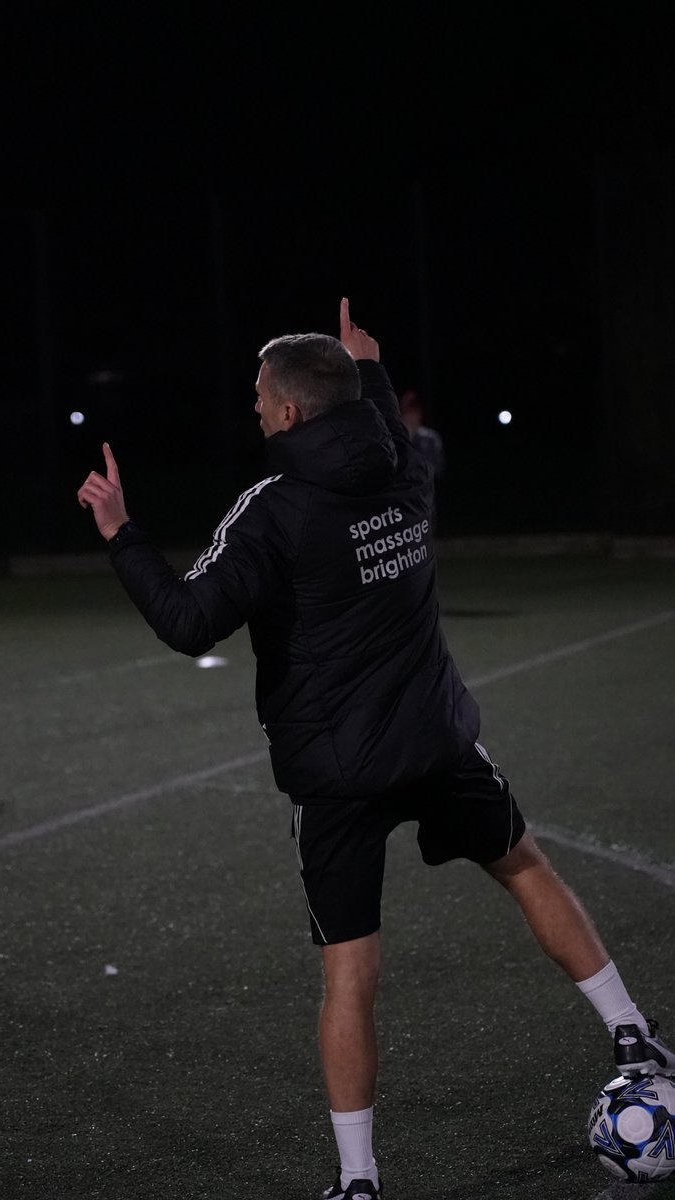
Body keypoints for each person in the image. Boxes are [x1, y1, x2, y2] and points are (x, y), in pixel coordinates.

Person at [77, 299, 673, 1200]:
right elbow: (381, 426)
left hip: (338, 771)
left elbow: (189, 618)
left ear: (287, 413)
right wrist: (371, 369)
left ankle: (358, 1182)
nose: (254, 408)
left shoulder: (273, 509)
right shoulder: (405, 466)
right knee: (524, 865)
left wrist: (121, 533)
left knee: (350, 973)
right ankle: (630, 1031)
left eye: (259, 397)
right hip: (435, 738)